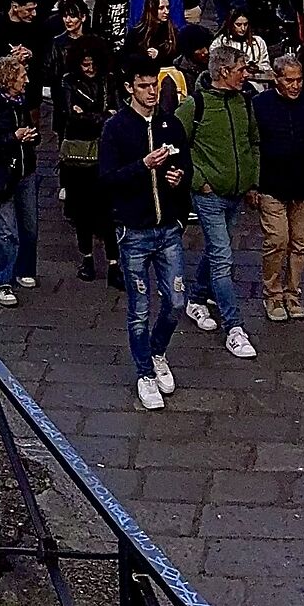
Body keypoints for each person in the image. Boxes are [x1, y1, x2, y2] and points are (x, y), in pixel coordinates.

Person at [100, 59, 193, 411]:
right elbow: (107, 179)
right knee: (139, 308)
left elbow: (186, 166)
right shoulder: (116, 128)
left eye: (154, 84)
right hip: (134, 232)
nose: (151, 92)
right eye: (143, 86)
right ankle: (144, 373)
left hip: (168, 229)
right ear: (129, 88)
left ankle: (157, 352)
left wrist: (178, 178)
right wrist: (143, 166)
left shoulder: (171, 123)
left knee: (176, 302)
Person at [181, 39, 263, 359]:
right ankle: (234, 328)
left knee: (219, 250)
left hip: (236, 194)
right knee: (223, 259)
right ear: (225, 71)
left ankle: (196, 298)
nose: (246, 74)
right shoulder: (196, 105)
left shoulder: (243, 102)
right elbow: (175, 144)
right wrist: (198, 180)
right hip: (210, 196)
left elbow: (253, 142)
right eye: (241, 69)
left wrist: (252, 181)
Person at [255, 52, 304, 322]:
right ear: (276, 79)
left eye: (299, 80)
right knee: (277, 240)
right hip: (271, 185)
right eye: (289, 80)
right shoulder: (260, 105)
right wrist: (253, 185)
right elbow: (252, 144)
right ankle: (273, 294)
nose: (295, 85)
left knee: (300, 243)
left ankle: (292, 293)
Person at [0, 51, 43, 304]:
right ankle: (3, 280)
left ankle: (24, 269)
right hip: (0, 173)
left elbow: (31, 130)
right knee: (5, 232)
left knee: (30, 227)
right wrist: (14, 137)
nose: (27, 80)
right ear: (9, 78)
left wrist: (31, 137)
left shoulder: (20, 100)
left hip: (25, 170)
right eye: (22, 76)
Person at [53, 22, 119, 285]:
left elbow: (114, 113)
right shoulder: (68, 81)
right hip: (78, 156)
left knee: (108, 211)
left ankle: (113, 262)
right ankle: (87, 258)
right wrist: (101, 116)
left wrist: (88, 115)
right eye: (85, 64)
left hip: (102, 152)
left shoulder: (108, 79)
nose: (89, 69)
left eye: (93, 64)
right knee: (81, 211)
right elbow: (70, 116)